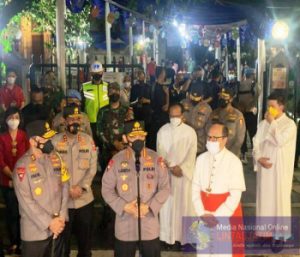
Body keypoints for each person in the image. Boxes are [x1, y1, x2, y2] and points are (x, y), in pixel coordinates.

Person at [101, 120, 170, 257]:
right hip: (125, 224)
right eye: (133, 136)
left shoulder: (156, 159)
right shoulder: (117, 160)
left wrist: (149, 207)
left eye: (141, 136)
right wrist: (124, 206)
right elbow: (106, 189)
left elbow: (165, 187)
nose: (138, 139)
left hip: (149, 223)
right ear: (125, 138)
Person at [13, 120, 69, 257]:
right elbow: (26, 202)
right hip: (35, 234)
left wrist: (61, 218)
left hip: (57, 229)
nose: (50, 142)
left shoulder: (56, 158)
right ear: (33, 141)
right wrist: (50, 223)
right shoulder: (22, 167)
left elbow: (65, 186)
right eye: (46, 138)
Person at [192, 122, 246, 257]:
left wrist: (217, 217)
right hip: (204, 213)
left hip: (225, 215)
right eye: (209, 137)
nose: (210, 141)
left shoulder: (234, 162)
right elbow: (194, 189)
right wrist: (201, 213)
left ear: (225, 139)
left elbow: (235, 195)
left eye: (215, 138)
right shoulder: (200, 159)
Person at [253, 91, 297, 250]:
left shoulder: (289, 125)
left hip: (279, 172)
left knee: (278, 202)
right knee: (264, 201)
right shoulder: (263, 124)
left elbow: (280, 141)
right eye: (268, 106)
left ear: (282, 106)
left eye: (273, 106)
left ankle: (279, 236)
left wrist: (272, 123)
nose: (269, 109)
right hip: (265, 170)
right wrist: (258, 158)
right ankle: (264, 234)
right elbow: (256, 142)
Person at [52, 106, 97, 257]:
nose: (75, 122)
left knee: (85, 246)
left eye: (78, 119)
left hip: (84, 200)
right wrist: (67, 190)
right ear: (64, 120)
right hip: (62, 202)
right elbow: (52, 171)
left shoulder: (88, 140)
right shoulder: (55, 142)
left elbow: (92, 168)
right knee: (63, 246)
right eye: (71, 119)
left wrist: (82, 187)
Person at [157, 103, 197, 246]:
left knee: (184, 206)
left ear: (182, 116)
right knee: (167, 207)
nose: (174, 118)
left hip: (183, 177)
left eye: (176, 116)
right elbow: (160, 152)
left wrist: (182, 168)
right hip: (168, 175)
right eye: (171, 116)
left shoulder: (190, 132)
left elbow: (192, 154)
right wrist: (170, 167)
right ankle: (167, 237)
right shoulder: (162, 131)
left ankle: (184, 238)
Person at [0, 107, 29, 254]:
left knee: (24, 213)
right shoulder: (1, 137)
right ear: (6, 120)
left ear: (20, 119)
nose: (14, 120)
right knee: (11, 214)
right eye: (11, 117)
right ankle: (14, 243)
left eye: (16, 117)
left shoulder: (24, 136)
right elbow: (1, 161)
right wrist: (12, 177)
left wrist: (19, 179)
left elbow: (28, 158)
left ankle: (24, 242)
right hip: (8, 182)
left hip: (23, 182)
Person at [97, 82, 134, 170]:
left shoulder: (127, 110)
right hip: (107, 152)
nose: (114, 93)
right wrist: (113, 143)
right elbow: (99, 132)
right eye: (111, 91)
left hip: (124, 151)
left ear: (120, 92)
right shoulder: (102, 111)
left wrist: (122, 145)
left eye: (116, 91)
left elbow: (132, 131)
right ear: (107, 94)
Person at [210, 88, 245, 157]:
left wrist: (229, 154)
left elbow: (239, 139)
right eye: (220, 96)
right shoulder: (213, 113)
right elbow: (207, 131)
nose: (221, 99)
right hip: (214, 153)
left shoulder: (238, 115)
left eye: (225, 97)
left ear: (231, 99)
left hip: (231, 154)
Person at [182, 85, 212, 155]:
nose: (194, 100)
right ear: (189, 94)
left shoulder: (207, 109)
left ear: (202, 96)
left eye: (197, 98)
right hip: (184, 143)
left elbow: (208, 129)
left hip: (199, 146)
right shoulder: (183, 104)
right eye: (192, 97)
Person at [82, 61, 109, 139]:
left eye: (99, 72)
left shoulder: (108, 86)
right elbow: (82, 105)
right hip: (90, 122)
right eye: (94, 73)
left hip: (105, 121)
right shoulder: (84, 87)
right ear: (91, 73)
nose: (97, 75)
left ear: (102, 72)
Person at [238, 68, 258, 164]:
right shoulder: (255, 85)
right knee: (253, 133)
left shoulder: (240, 84)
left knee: (243, 134)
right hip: (251, 112)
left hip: (241, 112)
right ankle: (256, 155)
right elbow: (258, 95)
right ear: (252, 75)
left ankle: (243, 154)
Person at [149, 68, 170, 150]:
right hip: (161, 119)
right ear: (161, 74)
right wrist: (167, 95)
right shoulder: (162, 88)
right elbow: (165, 107)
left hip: (154, 118)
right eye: (164, 72)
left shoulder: (152, 86)